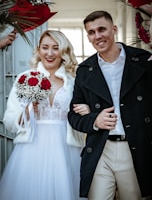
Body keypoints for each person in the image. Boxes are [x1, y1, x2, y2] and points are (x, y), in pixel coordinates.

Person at [68, 10, 152, 200]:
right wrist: (95, 120)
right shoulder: (84, 70)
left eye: (101, 29)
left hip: (135, 146)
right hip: (100, 148)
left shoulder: (143, 61)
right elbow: (73, 116)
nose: (97, 36)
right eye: (91, 32)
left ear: (113, 29)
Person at [0, 30, 89, 200]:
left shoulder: (74, 80)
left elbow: (84, 113)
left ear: (63, 51)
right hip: (32, 147)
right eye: (45, 47)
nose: (50, 53)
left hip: (67, 146)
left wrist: (87, 109)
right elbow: (9, 120)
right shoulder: (24, 78)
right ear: (38, 50)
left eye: (56, 48)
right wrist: (25, 112)